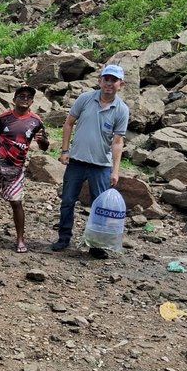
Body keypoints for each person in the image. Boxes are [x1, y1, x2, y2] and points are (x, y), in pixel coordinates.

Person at [52, 64, 130, 258]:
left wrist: (115, 170)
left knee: (100, 205)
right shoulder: (85, 99)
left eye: (114, 80)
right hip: (77, 161)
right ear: (100, 81)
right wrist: (64, 150)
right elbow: (69, 123)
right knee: (68, 200)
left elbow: (118, 142)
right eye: (106, 79)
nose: (109, 84)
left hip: (101, 165)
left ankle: (96, 244)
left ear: (121, 84)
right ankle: (64, 238)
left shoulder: (121, 109)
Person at [0, 86, 49, 253]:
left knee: (16, 202)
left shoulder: (36, 121)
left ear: (32, 101)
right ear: (14, 99)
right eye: (21, 96)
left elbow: (44, 146)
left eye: (29, 97)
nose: (25, 99)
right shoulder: (3, 118)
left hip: (16, 166)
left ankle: (20, 239)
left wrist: (42, 141)